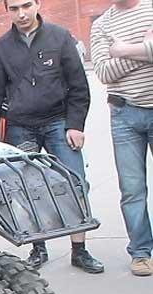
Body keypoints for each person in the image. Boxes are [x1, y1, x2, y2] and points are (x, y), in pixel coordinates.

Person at [0, 0, 104, 274]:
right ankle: (38, 248)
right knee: (26, 190)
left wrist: (75, 125)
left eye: (26, 5)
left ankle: (79, 250)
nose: (21, 14)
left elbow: (79, 86)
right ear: (7, 10)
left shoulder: (60, 37)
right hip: (20, 127)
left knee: (75, 183)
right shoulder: (1, 48)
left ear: (38, 4)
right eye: (14, 8)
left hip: (58, 123)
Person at [91, 0, 153, 277]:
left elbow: (113, 62)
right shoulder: (102, 24)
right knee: (132, 189)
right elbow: (104, 72)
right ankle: (141, 253)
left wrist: (123, 50)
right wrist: (144, 49)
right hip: (124, 115)